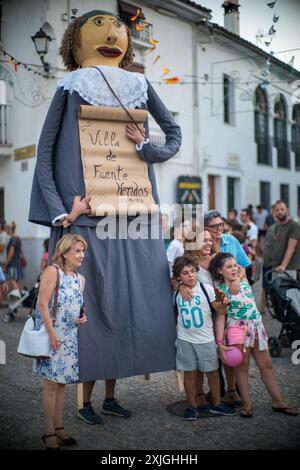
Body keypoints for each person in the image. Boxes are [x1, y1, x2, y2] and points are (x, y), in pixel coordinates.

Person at [29, 10, 181, 424]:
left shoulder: (140, 86)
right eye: (99, 28)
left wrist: (147, 148)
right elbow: (45, 154)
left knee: (130, 305)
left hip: (132, 217)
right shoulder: (70, 86)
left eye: (118, 31)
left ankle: (111, 396)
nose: (112, 35)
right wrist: (62, 210)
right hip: (84, 221)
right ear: (74, 44)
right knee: (89, 307)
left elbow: (173, 136)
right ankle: (84, 402)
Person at [210, 252, 298, 418]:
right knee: (242, 367)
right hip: (237, 330)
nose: (234, 269)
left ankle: (278, 401)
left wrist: (237, 277)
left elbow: (243, 268)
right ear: (220, 271)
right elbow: (221, 317)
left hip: (257, 327)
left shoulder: (242, 279)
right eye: (229, 267)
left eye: (234, 265)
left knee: (267, 365)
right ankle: (247, 403)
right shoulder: (220, 291)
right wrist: (220, 341)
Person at [33, 234, 87, 449]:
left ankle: (59, 427)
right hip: (52, 335)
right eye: (77, 251)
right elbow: (42, 305)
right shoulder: (52, 272)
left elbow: (76, 308)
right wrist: (52, 333)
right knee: (50, 384)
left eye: (83, 251)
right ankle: (48, 432)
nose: (82, 255)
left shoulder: (80, 279)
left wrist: (82, 317)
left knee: (63, 383)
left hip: (70, 336)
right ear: (65, 253)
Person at [173, 254, 236, 420]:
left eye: (192, 271)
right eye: (185, 273)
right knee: (190, 375)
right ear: (179, 277)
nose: (190, 275)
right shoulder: (177, 293)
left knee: (213, 374)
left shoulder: (205, 289)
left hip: (206, 340)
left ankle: (216, 404)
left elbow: (220, 310)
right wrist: (179, 287)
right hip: (185, 340)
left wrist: (224, 303)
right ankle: (192, 406)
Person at [273, 200, 300, 279]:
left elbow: (291, 248)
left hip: (289, 269)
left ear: (287, 210)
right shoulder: (277, 227)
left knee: (289, 291)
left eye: (282, 209)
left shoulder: (293, 225)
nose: (279, 212)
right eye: (277, 210)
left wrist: (283, 266)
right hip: (276, 268)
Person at [3, 221, 23, 298]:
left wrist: (6, 264)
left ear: (9, 229)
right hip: (17, 263)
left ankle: (18, 299)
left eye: (5, 229)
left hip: (13, 264)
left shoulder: (13, 239)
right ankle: (20, 298)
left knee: (12, 280)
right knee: (16, 281)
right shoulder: (17, 237)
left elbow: (11, 253)